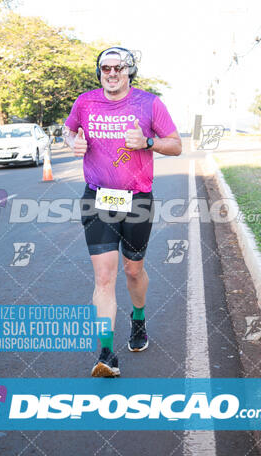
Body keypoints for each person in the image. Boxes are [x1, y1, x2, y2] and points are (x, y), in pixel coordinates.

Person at [63, 47, 182, 377]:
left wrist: (147, 142)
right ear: (99, 71)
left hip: (137, 200)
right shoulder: (85, 102)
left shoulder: (149, 103)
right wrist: (71, 141)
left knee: (132, 271)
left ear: (130, 70)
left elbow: (175, 144)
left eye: (118, 68)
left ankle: (139, 319)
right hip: (97, 199)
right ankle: (105, 354)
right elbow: (67, 130)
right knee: (103, 278)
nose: (111, 73)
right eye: (105, 68)